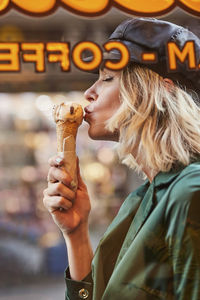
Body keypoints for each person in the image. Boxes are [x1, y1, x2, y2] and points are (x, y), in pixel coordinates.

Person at [43, 18, 200, 300]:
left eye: (107, 78)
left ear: (160, 90)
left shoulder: (191, 191)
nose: (89, 92)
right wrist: (77, 234)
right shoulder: (140, 199)